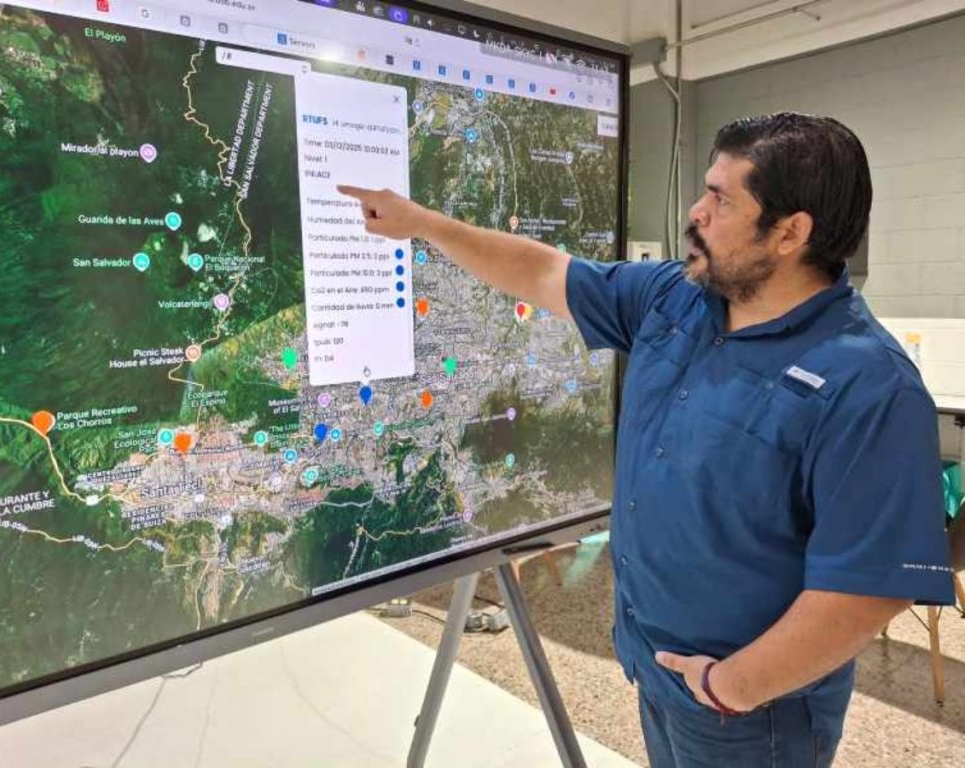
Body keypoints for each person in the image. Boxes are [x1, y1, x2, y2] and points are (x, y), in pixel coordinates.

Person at [339, 112, 955, 767]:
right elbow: (545, 272)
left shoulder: (867, 384)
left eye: (721, 199)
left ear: (789, 232)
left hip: (754, 714)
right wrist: (425, 225)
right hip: (656, 671)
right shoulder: (678, 297)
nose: (697, 212)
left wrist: (729, 687)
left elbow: (866, 591)